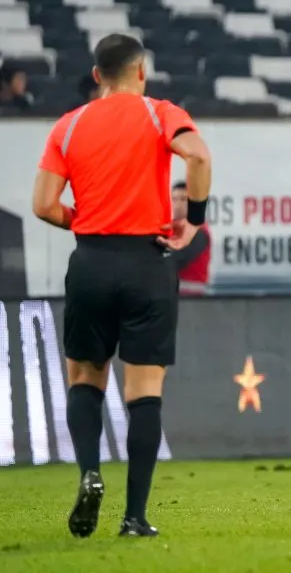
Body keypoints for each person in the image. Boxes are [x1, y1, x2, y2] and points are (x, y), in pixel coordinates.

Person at [31, 33, 212, 538]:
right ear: (141, 73)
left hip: (90, 261)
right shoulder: (159, 114)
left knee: (85, 378)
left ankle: (90, 472)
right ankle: (135, 516)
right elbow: (197, 157)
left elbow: (43, 205)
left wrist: (87, 221)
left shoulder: (68, 126)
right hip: (147, 263)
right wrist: (193, 220)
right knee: (144, 391)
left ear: (96, 77)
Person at [170, 181, 212, 295]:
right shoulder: (168, 228)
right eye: (174, 199)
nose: (177, 204)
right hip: (172, 292)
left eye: (183, 199)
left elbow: (176, 260)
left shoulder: (199, 231)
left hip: (193, 297)